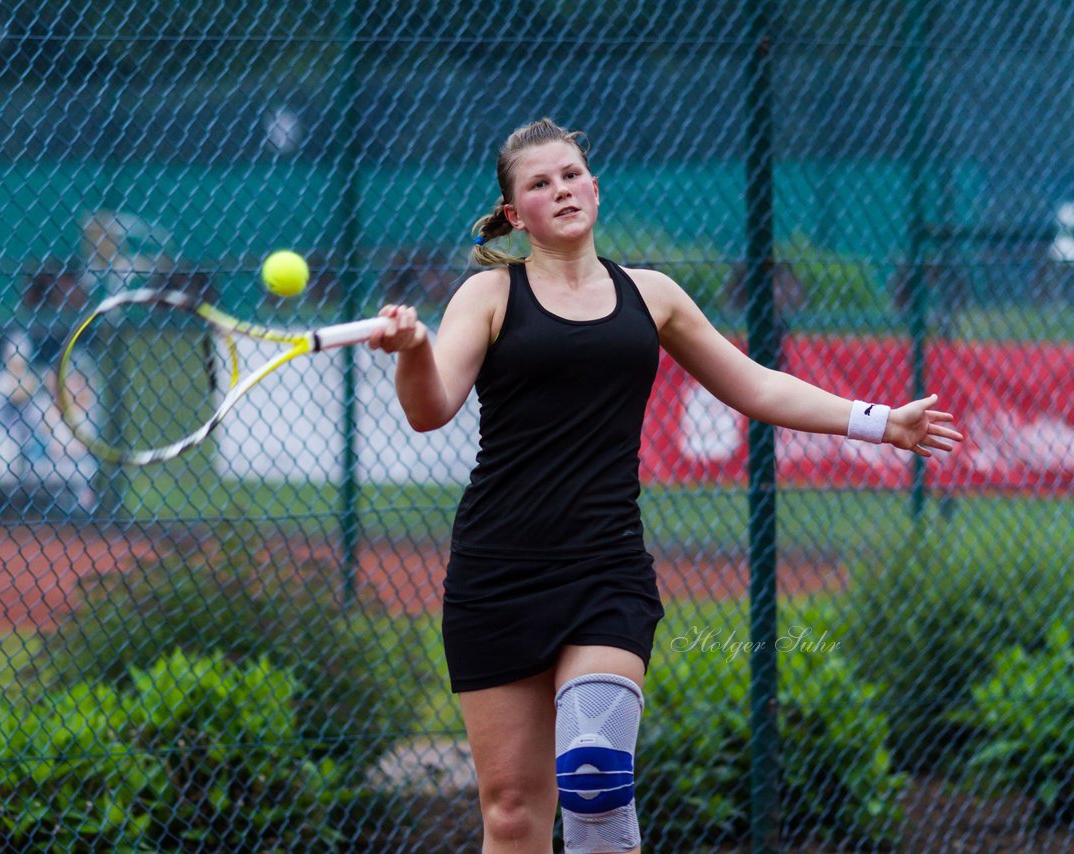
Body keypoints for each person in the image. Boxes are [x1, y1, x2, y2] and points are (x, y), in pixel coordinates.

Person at [368, 118, 964, 854]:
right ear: (515, 213)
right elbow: (428, 411)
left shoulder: (651, 294)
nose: (560, 189)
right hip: (496, 575)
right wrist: (413, 349)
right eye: (539, 183)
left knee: (595, 781)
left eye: (571, 174)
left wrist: (879, 421)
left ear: (594, 187)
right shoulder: (487, 295)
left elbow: (753, 384)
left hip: (605, 571)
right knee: (514, 814)